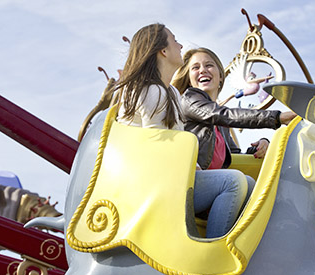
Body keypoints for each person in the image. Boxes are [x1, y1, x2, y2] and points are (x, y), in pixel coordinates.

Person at [115, 24, 248, 238]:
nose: (180, 45)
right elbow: (157, 148)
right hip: (151, 186)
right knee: (233, 182)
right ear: (163, 51)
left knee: (246, 182)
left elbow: (174, 142)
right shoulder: (151, 91)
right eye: (174, 40)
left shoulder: (171, 93)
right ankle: (211, 250)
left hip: (171, 177)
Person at [171, 48, 297, 172]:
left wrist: (260, 146)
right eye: (195, 68)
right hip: (190, 177)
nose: (203, 70)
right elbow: (223, 115)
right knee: (236, 182)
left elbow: (234, 154)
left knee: (250, 182)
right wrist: (277, 118)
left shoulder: (221, 125)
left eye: (209, 65)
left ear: (220, 76)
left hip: (215, 181)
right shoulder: (189, 100)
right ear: (189, 78)